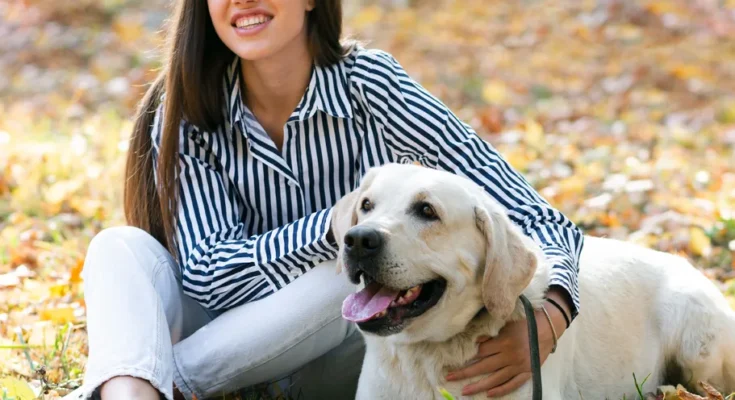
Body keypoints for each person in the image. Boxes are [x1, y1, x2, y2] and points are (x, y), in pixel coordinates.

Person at [76, 0, 585, 399]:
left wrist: (551, 320)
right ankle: (133, 392)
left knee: (343, 267)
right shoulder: (188, 108)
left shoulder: (372, 86)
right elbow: (208, 276)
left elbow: (535, 217)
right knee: (117, 247)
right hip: (223, 332)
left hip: (334, 346)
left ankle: (161, 380)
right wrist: (335, 228)